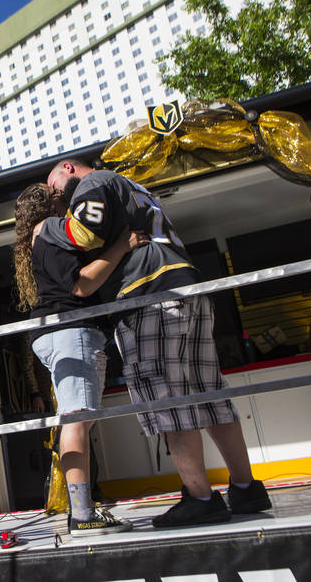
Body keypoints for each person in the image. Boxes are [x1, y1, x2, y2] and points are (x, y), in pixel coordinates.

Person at [38, 158, 272, 527]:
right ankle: (246, 488)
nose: (53, 193)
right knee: (210, 395)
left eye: (52, 183)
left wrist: (48, 228)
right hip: (187, 288)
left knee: (166, 399)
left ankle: (200, 498)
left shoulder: (94, 182)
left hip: (148, 295)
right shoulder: (136, 188)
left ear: (68, 168)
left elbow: (83, 234)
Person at [14, 183, 146, 535]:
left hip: (60, 334)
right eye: (59, 194)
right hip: (71, 331)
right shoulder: (50, 232)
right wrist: (122, 246)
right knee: (76, 420)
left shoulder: (39, 238)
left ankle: (83, 510)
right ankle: (82, 514)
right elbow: (81, 286)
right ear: (52, 202)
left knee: (77, 420)